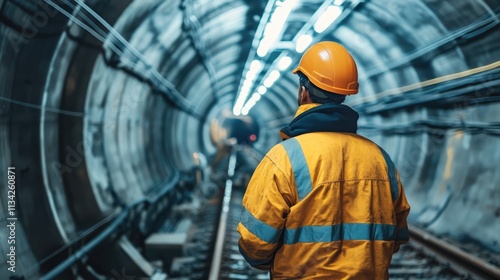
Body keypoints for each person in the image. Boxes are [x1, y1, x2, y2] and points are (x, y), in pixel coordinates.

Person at [237, 41, 410, 279]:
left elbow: (255, 246)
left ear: (303, 92)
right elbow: (397, 235)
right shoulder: (380, 159)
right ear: (345, 95)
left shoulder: (285, 157)